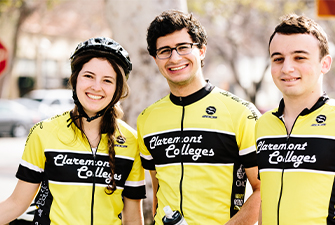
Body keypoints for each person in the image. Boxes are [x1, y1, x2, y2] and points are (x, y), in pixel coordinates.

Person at [255, 14, 335, 224]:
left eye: (299, 57)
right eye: (278, 58)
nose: (287, 68)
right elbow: (266, 202)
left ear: (325, 64)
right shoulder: (263, 125)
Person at [0, 37, 146, 225]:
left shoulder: (131, 141)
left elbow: (133, 218)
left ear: (117, 89)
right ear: (75, 78)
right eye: (89, 76)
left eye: (107, 80)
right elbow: (16, 204)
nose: (96, 87)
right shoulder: (44, 133)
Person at [137, 10, 261, 225]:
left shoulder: (241, 113)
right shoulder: (147, 119)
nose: (175, 58)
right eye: (164, 51)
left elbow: (266, 189)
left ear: (202, 51)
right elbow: (158, 192)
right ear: (155, 59)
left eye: (183, 47)